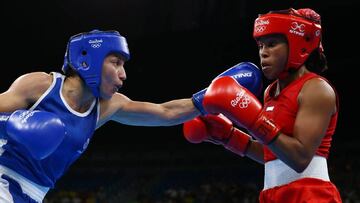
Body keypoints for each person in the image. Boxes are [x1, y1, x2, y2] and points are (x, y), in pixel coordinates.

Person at [0, 29, 263, 202]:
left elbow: (165, 112)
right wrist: (10, 124)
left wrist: (210, 97)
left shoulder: (107, 106)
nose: (123, 74)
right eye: (115, 63)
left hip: (33, 194)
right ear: (87, 60)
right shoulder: (41, 86)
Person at [184, 8, 342, 202]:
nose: (263, 53)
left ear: (297, 45)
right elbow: (273, 154)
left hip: (310, 195)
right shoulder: (271, 92)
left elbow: (299, 158)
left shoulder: (316, 89)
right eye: (260, 46)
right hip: (272, 195)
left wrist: (252, 119)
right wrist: (229, 137)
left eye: (272, 44)